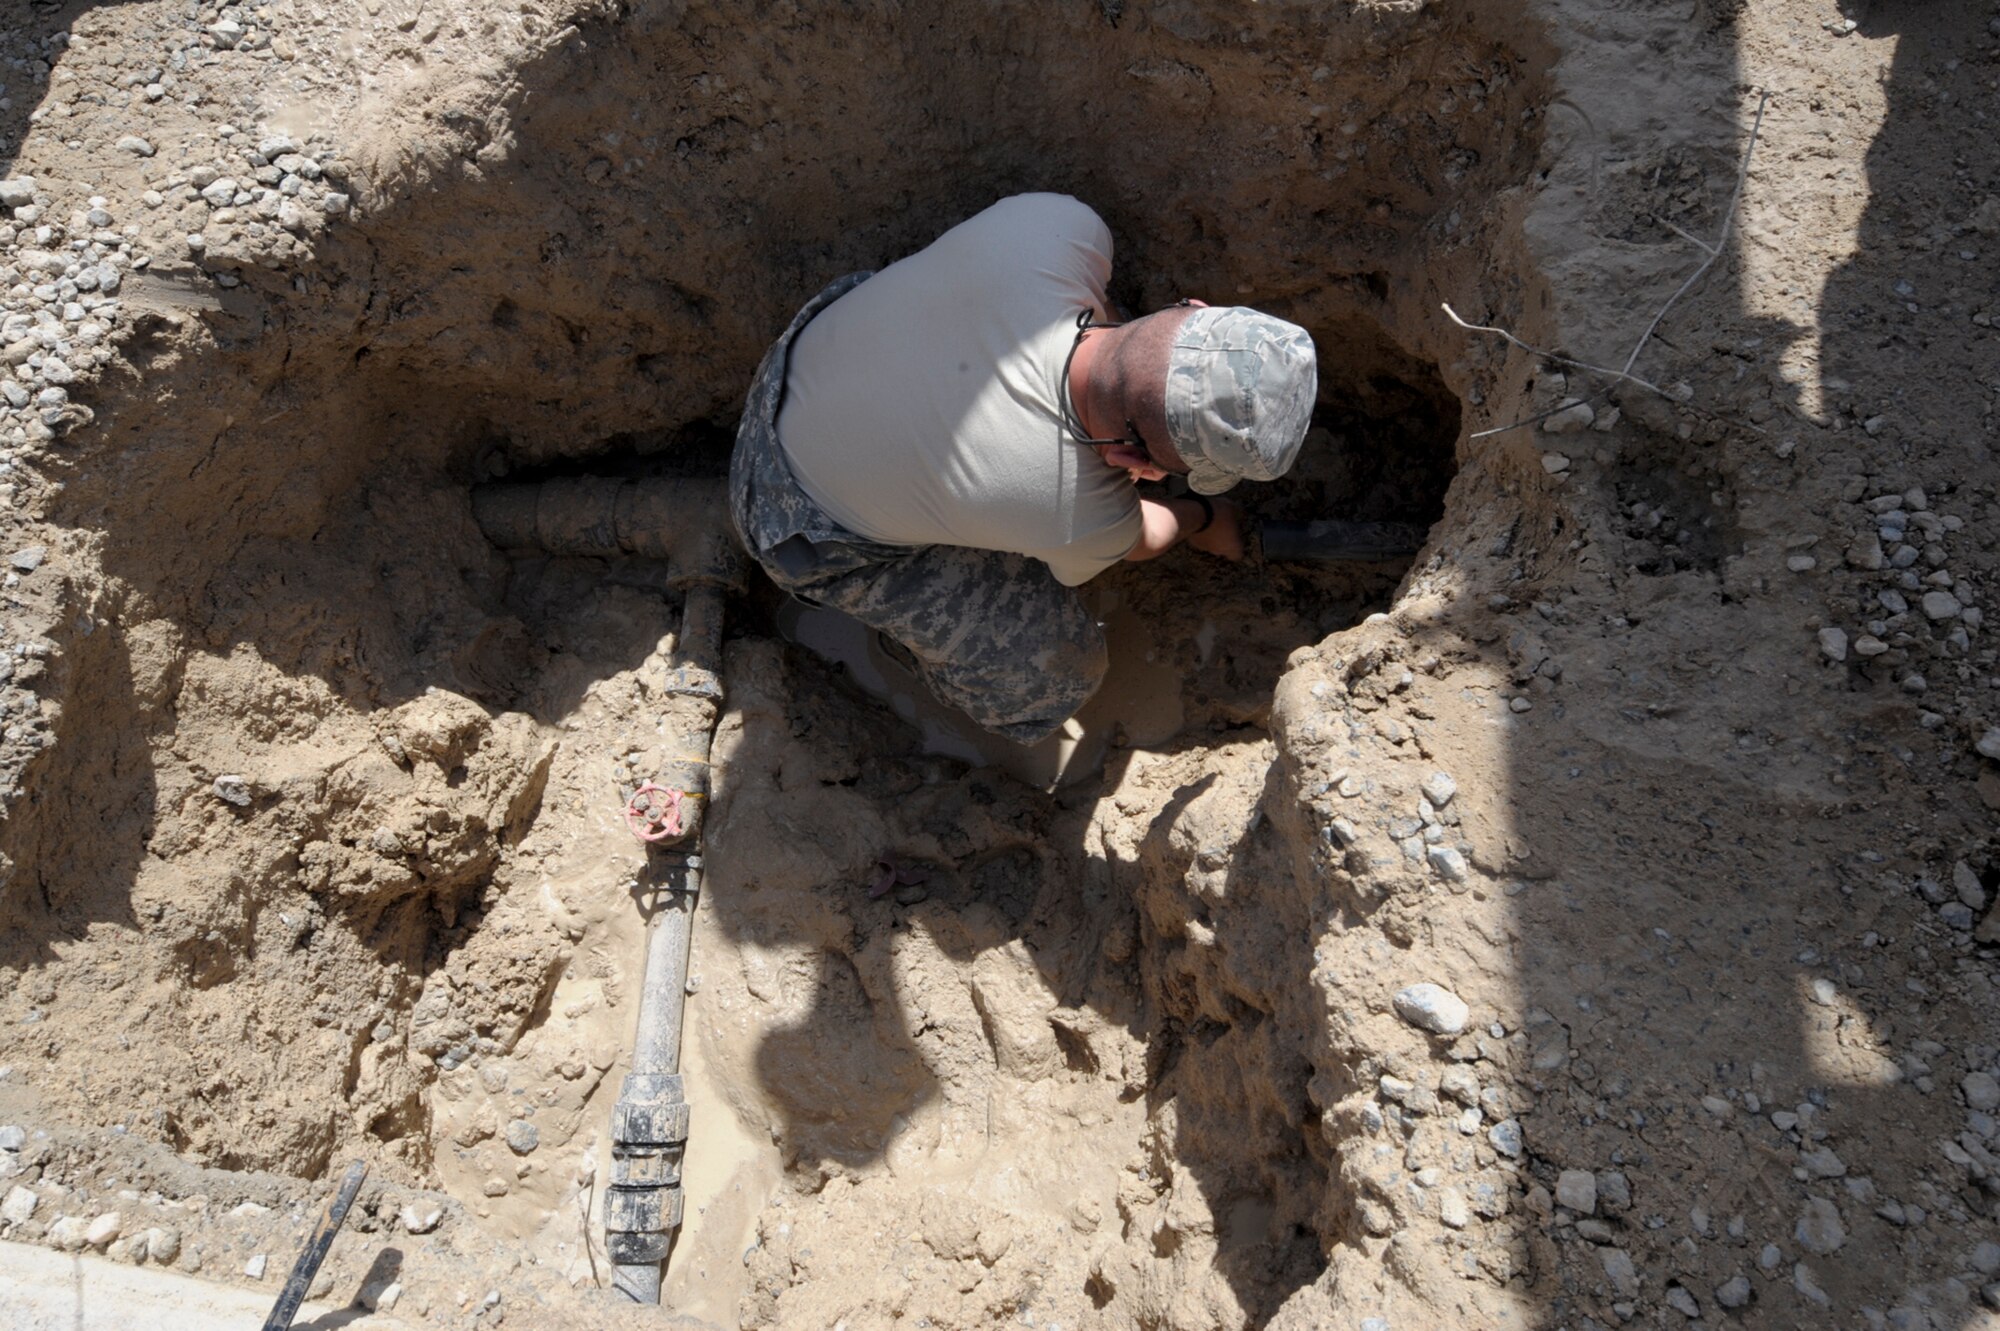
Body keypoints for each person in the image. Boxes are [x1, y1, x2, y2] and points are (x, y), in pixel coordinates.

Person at [729, 193, 1317, 744]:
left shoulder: (1061, 227)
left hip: (795, 368)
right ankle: (916, 650)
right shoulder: (1075, 515)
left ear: (1195, 306)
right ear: (1131, 460)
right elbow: (1145, 537)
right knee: (1055, 675)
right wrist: (1206, 515)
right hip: (794, 523)